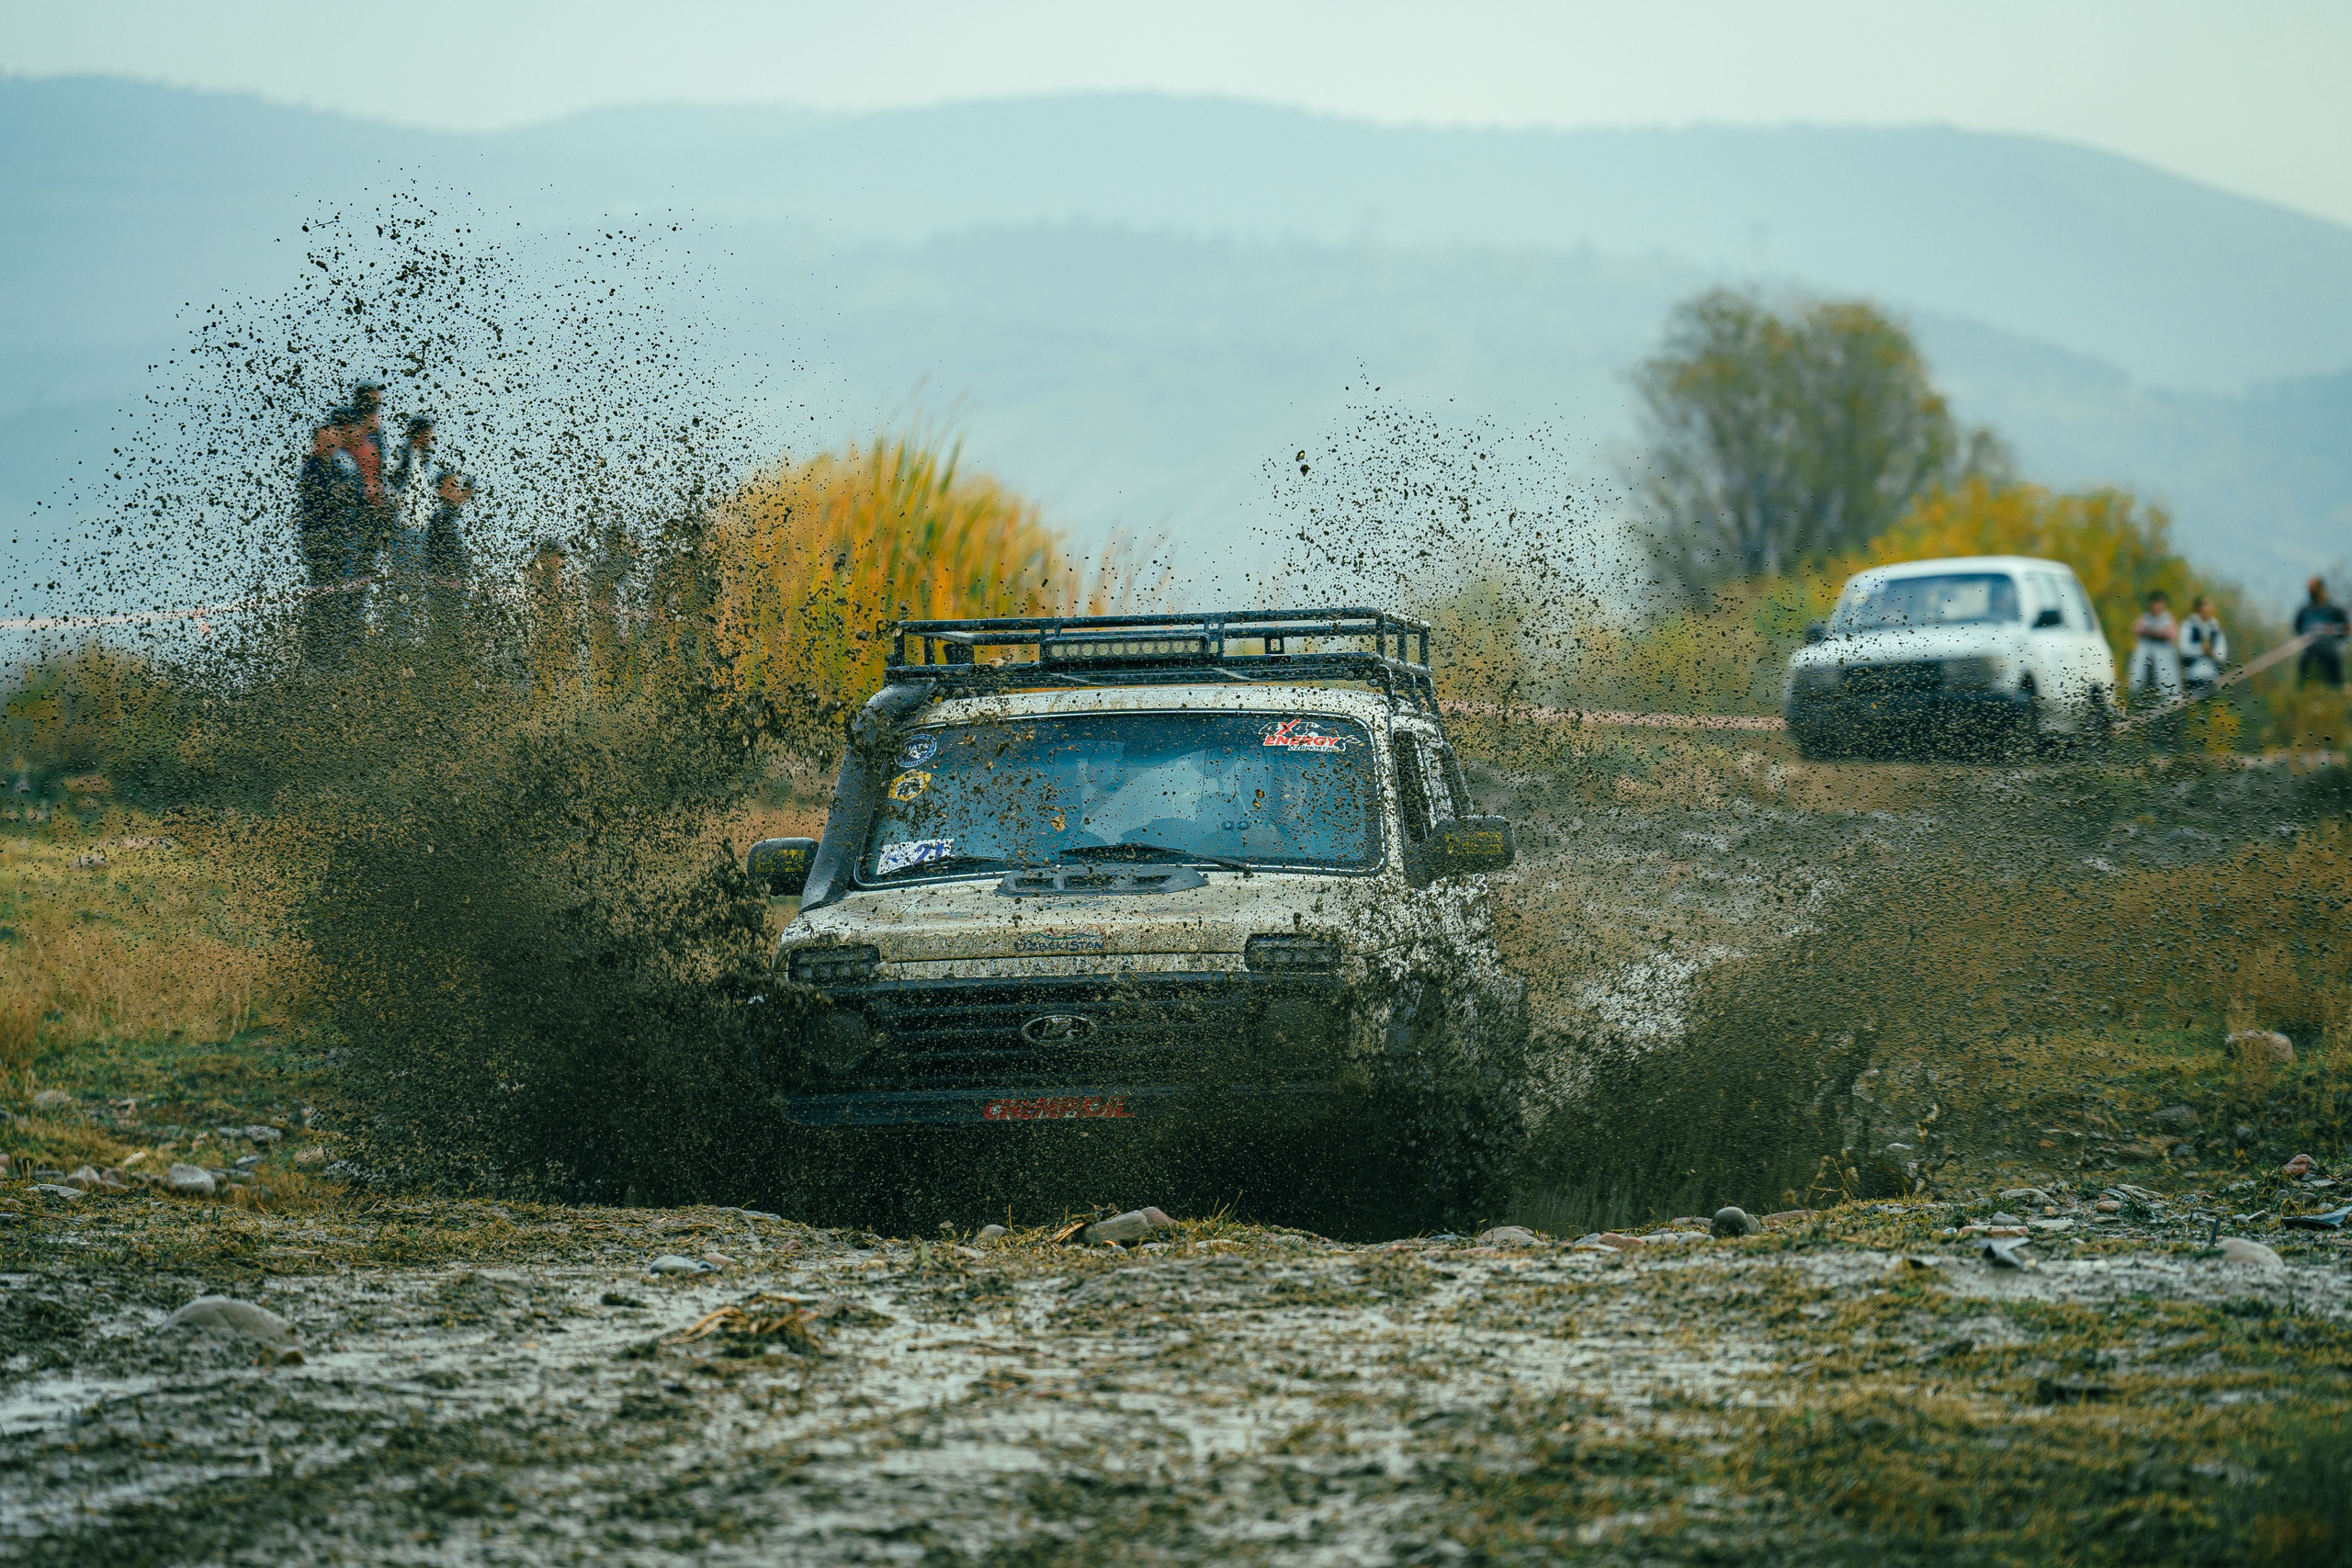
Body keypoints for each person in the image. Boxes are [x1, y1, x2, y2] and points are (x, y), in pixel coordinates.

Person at [295, 416, 365, 661]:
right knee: (323, 593)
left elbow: (356, 494)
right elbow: (323, 498)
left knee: (339, 593)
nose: (333, 442)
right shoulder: (312, 467)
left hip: (339, 540)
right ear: (318, 441)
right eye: (328, 438)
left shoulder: (338, 468)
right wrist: (342, 492)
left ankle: (339, 649)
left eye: (335, 438)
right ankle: (319, 653)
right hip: (319, 540)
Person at [2128, 590, 2181, 703]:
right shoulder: (2145, 618)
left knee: (2166, 685)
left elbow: (2170, 634)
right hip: (2147, 663)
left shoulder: (2168, 619)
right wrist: (2157, 633)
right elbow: (2136, 629)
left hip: (2163, 661)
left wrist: (2151, 632)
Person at [2296, 578, 2348, 688]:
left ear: (2321, 588)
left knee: (2335, 679)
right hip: (2310, 650)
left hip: (2329, 651)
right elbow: (2298, 628)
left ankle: (2338, 692)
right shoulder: (2305, 610)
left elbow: (2346, 629)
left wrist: (2333, 635)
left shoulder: (2334, 609)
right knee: (2304, 671)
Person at [2178, 596, 2228, 698]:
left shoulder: (2215, 628)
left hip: (2212, 677)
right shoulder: (2188, 625)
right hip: (2193, 676)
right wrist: (2201, 650)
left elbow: (2222, 653)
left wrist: (2212, 653)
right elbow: (2184, 649)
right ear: (2198, 609)